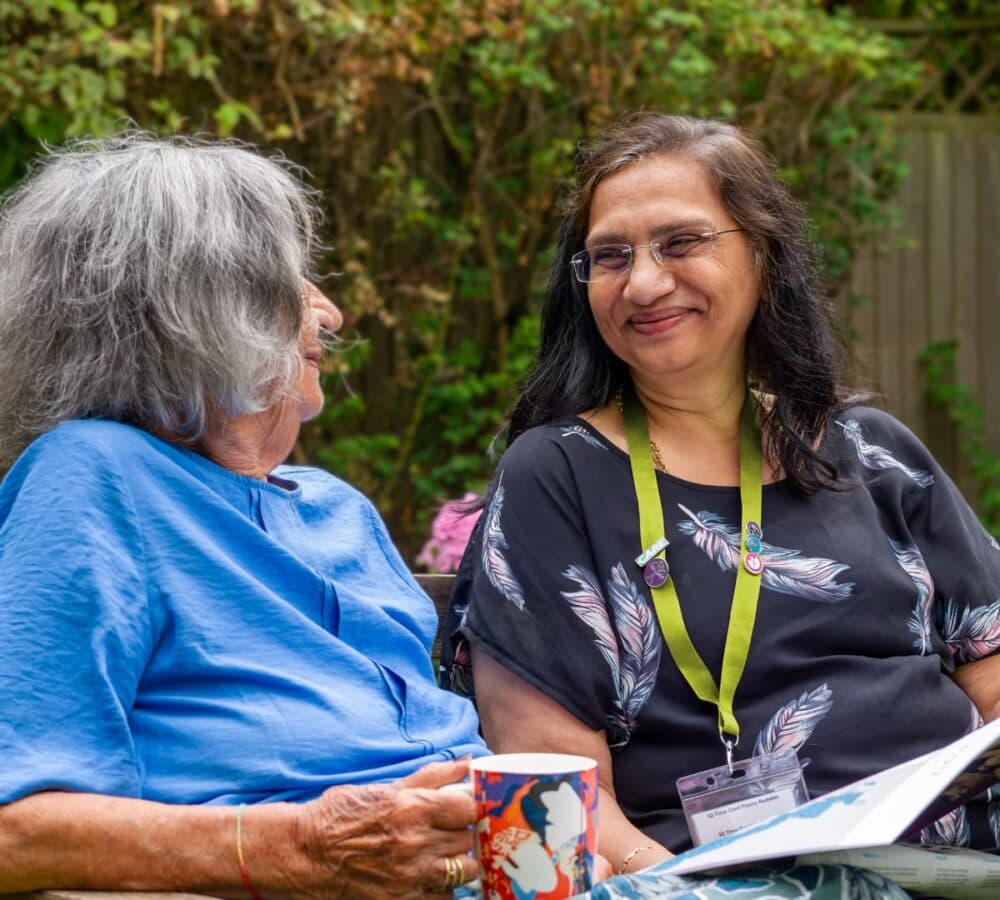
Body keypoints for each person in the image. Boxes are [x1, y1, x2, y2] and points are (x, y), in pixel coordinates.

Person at [443, 114, 1000, 877]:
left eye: (680, 243)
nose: (642, 282)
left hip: (962, 858)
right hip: (722, 881)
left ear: (764, 255)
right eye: (611, 256)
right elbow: (557, 787)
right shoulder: (556, 477)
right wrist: (678, 891)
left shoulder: (875, 453)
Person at [0, 134, 488, 898]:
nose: (328, 310)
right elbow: (15, 830)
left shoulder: (337, 509)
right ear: (199, 309)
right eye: (293, 284)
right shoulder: (93, 477)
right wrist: (298, 848)